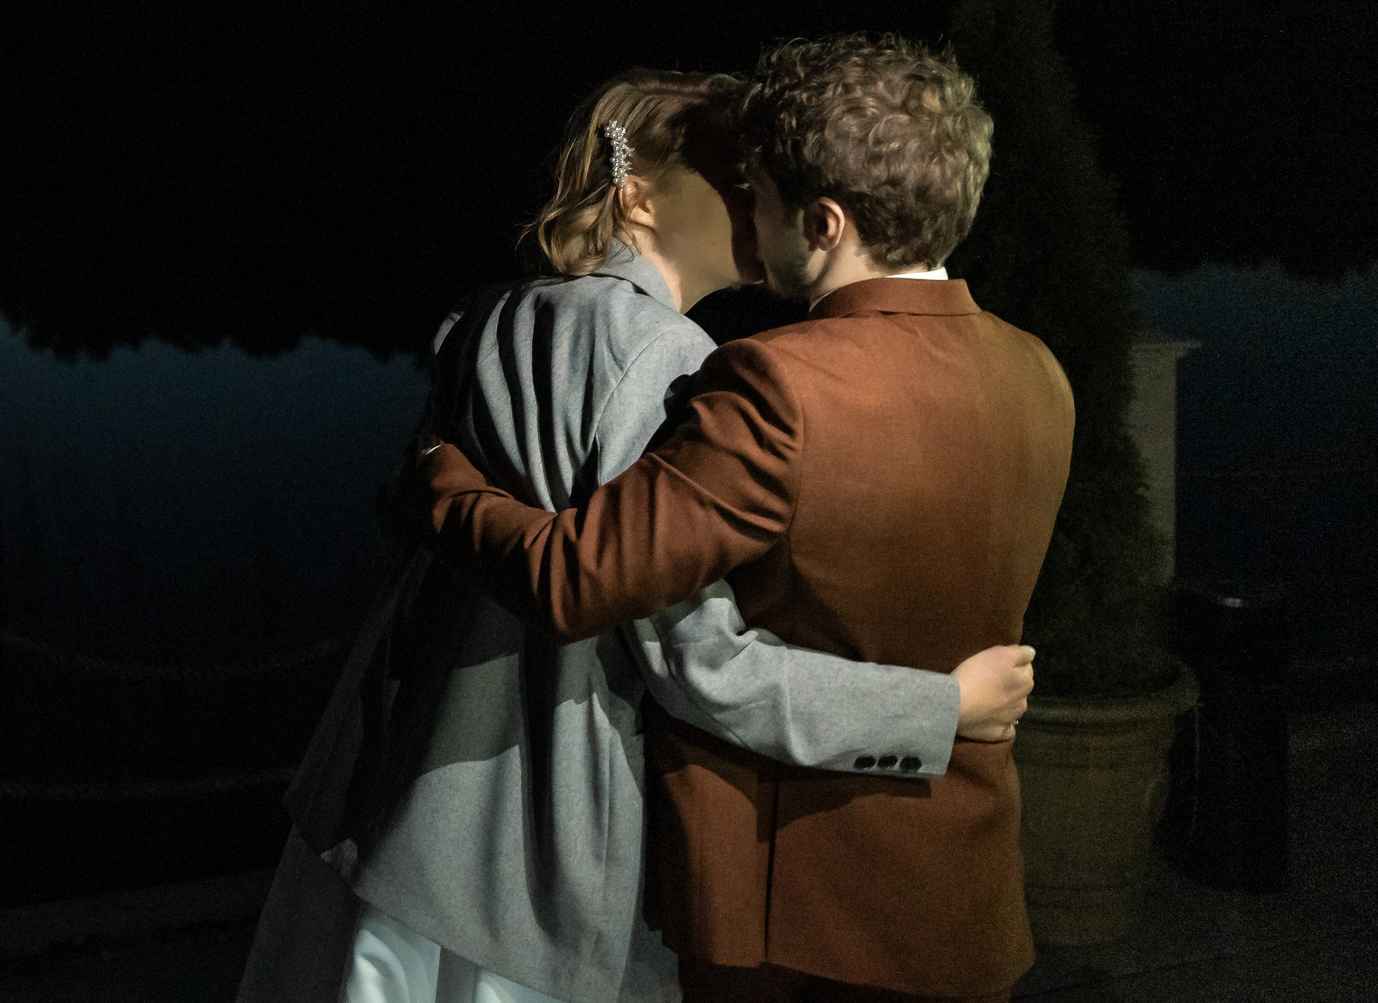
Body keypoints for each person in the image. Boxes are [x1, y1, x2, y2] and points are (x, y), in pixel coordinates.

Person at [238, 67, 1037, 1003]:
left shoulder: (493, 314)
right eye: (731, 175)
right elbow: (700, 665)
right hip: (527, 834)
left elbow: (411, 518)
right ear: (638, 194)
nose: (756, 194)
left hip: (389, 796)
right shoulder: (669, 359)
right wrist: (935, 709)